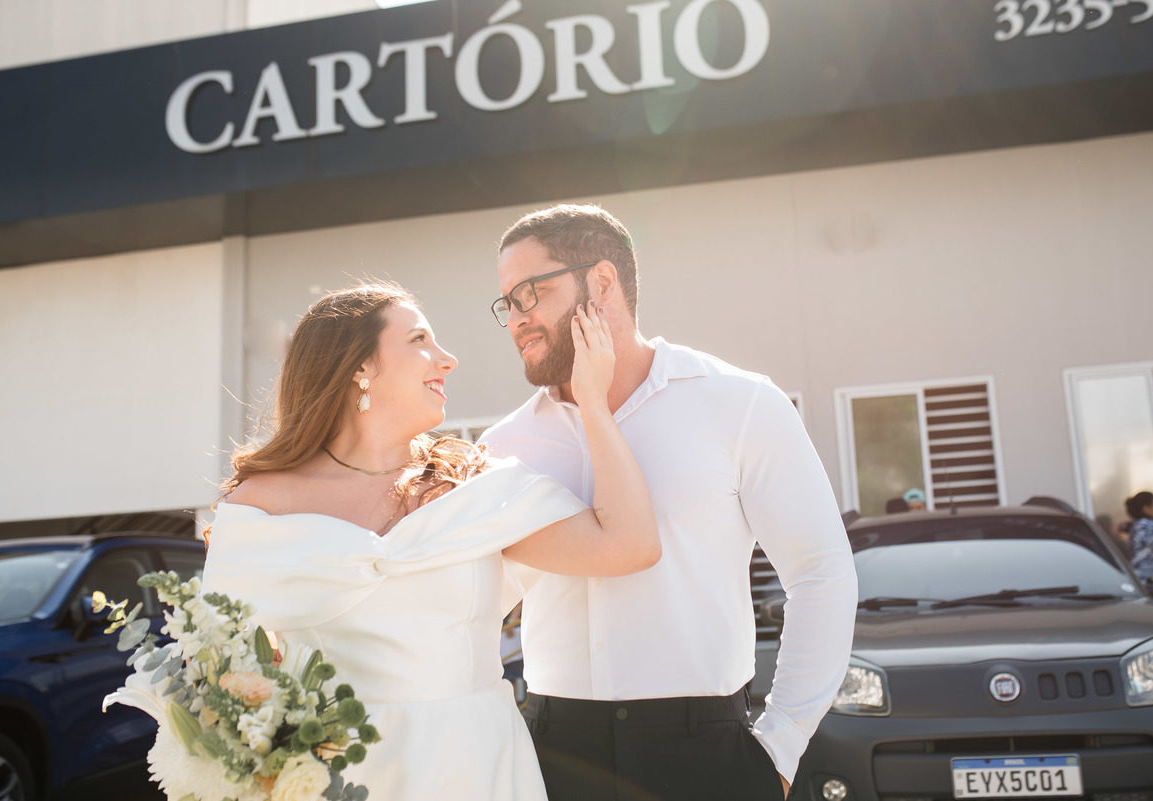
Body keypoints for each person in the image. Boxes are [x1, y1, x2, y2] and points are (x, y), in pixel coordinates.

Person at [201, 282, 661, 801]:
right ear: (360, 364)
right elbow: (219, 676)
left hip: (476, 770)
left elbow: (629, 545)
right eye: (419, 339)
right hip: (332, 778)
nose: (448, 359)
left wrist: (593, 404)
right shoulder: (258, 507)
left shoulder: (475, 487)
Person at [480, 204, 858, 801]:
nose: (517, 320)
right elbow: (474, 609)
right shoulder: (505, 445)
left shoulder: (739, 404)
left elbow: (822, 574)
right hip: (553, 758)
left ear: (602, 282)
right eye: (508, 302)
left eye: (533, 293)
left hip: (708, 757)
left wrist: (782, 744)